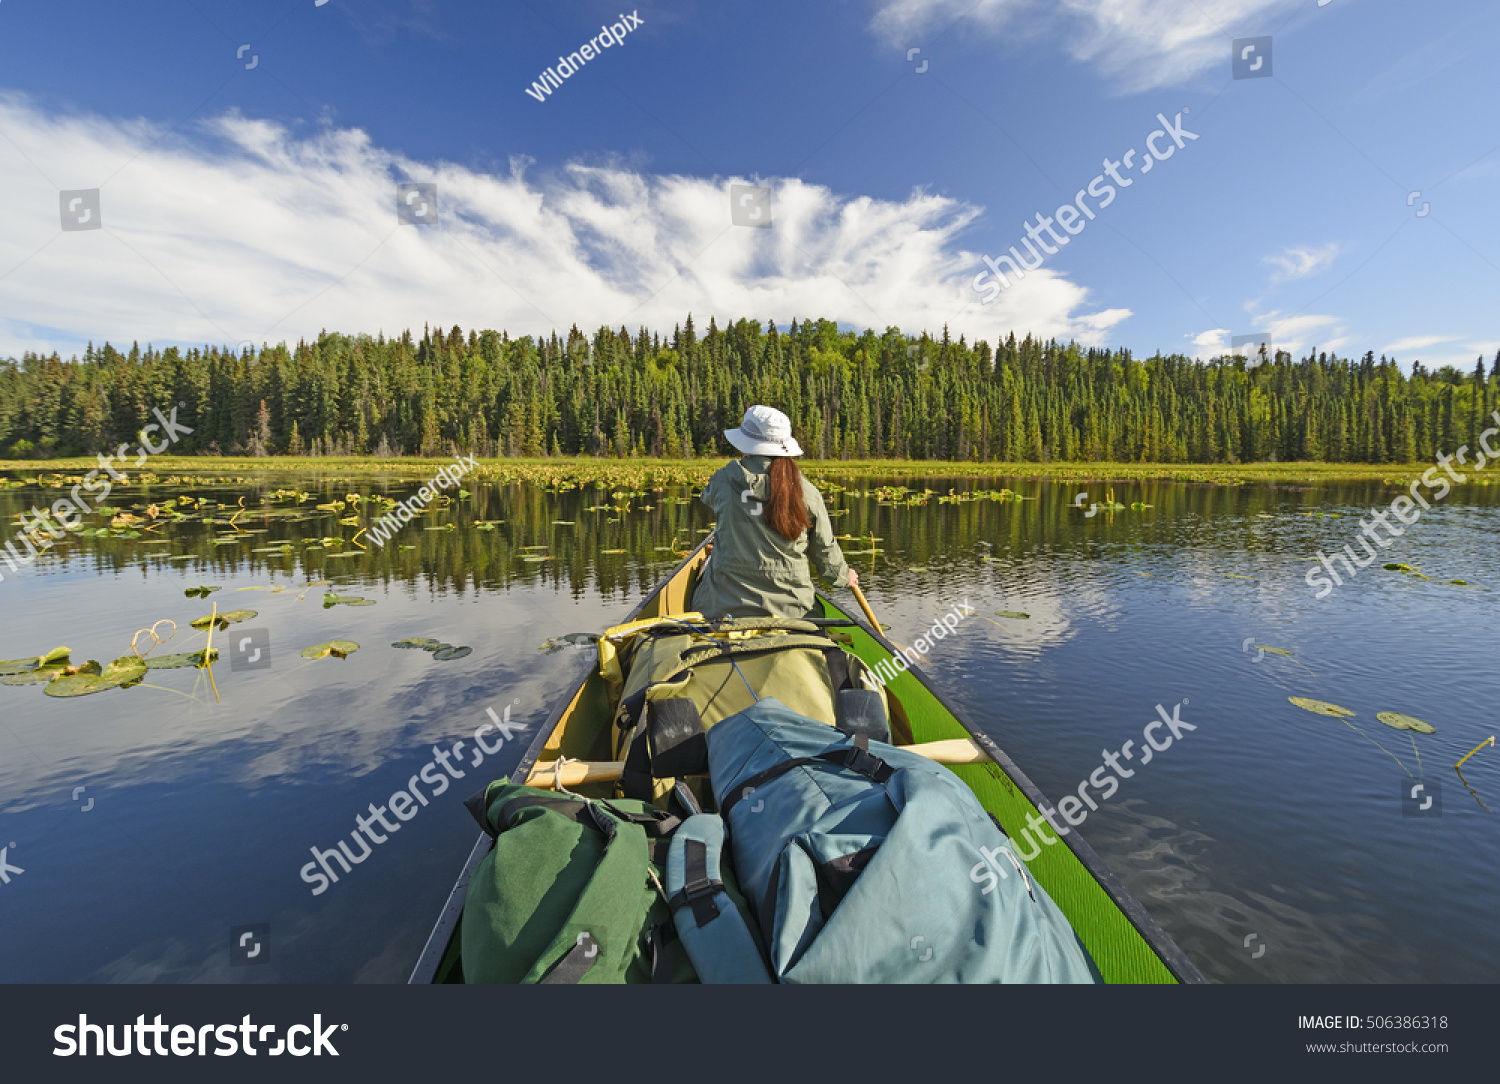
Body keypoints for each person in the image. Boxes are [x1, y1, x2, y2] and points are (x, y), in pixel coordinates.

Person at [691, 405, 858, 621]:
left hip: (723, 608)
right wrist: (844, 577)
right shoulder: (806, 492)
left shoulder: (722, 481)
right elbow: (824, 550)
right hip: (794, 610)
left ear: (745, 444)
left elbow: (712, 500)